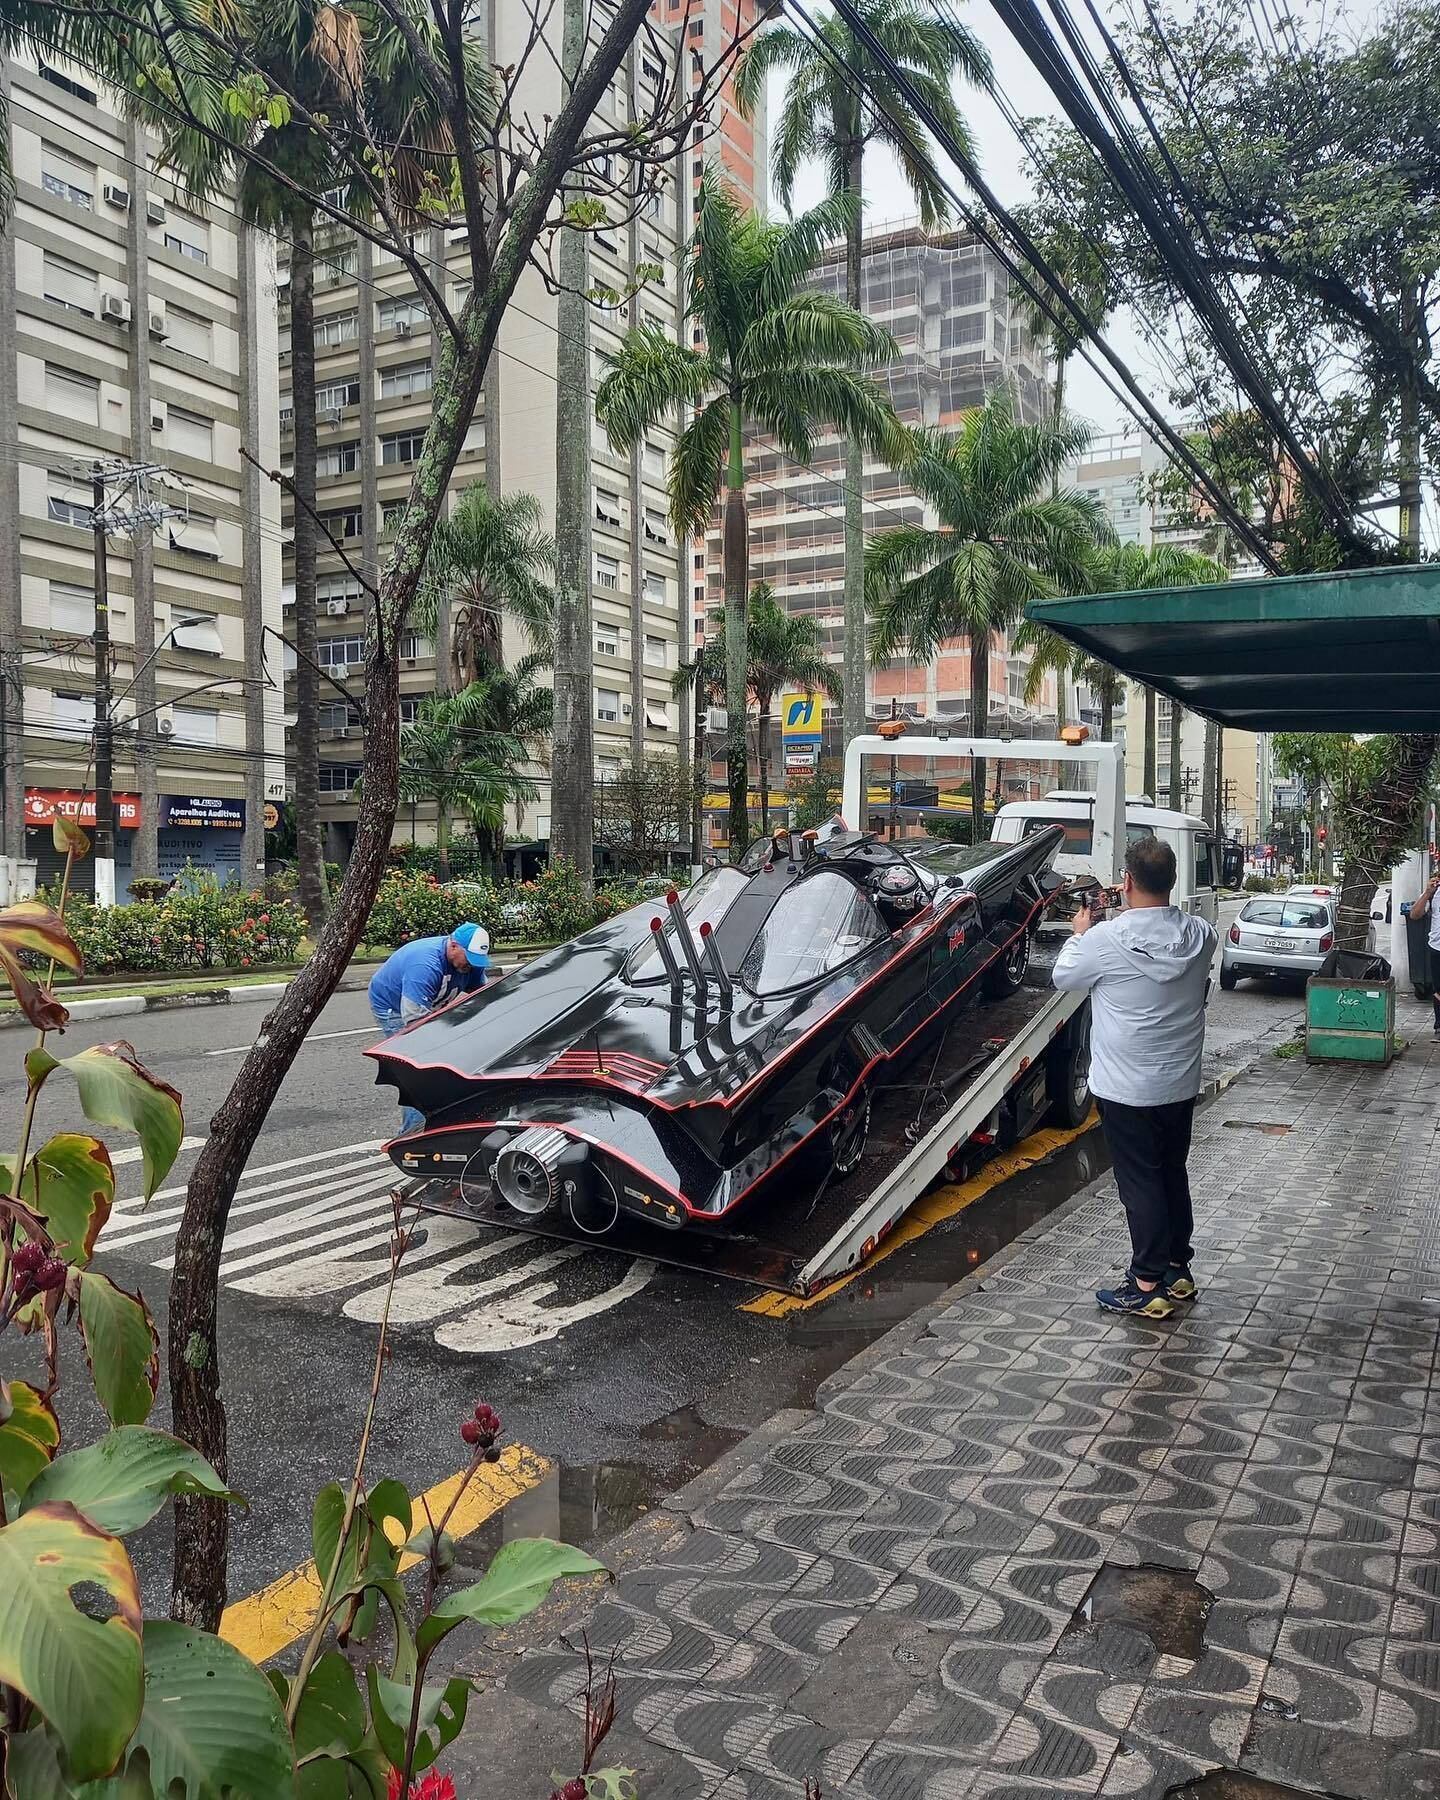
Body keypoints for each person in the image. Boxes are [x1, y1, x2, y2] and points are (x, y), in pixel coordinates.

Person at [1053, 836, 1217, 1319]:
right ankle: (1176, 1269)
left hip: (1126, 1087)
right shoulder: (1203, 934)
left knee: (1139, 1181)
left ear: (1126, 882)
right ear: (1172, 880)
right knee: (1170, 1171)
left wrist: (1081, 931)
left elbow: (1064, 976)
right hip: (1180, 1082)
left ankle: (1146, 1283)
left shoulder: (1104, 942)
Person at [368, 922, 491, 1132]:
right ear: (453, 946)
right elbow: (414, 1020)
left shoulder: (469, 965)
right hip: (395, 1007)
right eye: (469, 959)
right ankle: (412, 1134)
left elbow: (485, 997)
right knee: (416, 1073)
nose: (471, 965)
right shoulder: (425, 964)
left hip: (431, 1004)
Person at [1408, 870, 1440, 1034]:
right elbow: (1414, 914)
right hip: (1437, 948)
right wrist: (1427, 893)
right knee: (1438, 989)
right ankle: (1439, 1026)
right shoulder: (1434, 891)